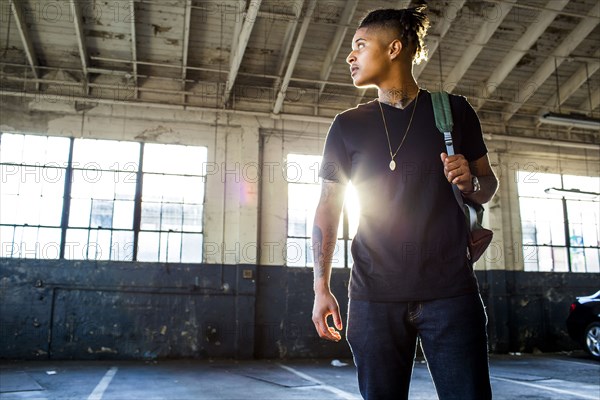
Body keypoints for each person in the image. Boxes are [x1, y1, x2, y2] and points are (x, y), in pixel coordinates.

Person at [311, 6, 498, 400]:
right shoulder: (347, 126)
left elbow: (486, 186)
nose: (350, 56)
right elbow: (329, 207)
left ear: (394, 48)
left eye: (360, 46)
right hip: (373, 297)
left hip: (451, 294)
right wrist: (321, 286)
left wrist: (470, 180)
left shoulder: (454, 112)